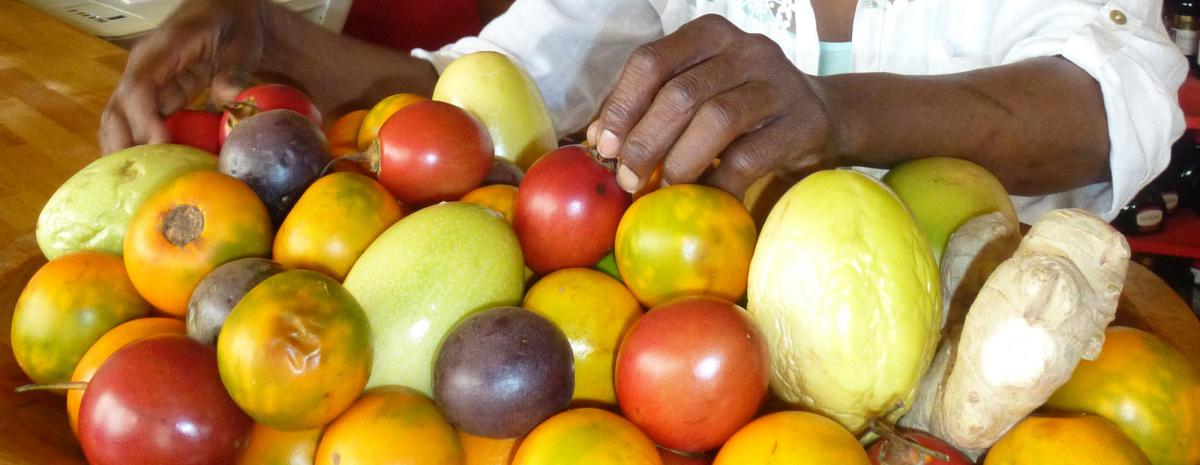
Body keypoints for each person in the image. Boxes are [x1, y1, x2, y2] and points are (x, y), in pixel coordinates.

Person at [100, 0, 1186, 223]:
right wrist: (275, 44)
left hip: (989, 388)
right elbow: (499, 92)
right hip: (715, 387)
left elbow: (1115, 102)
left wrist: (833, 111)